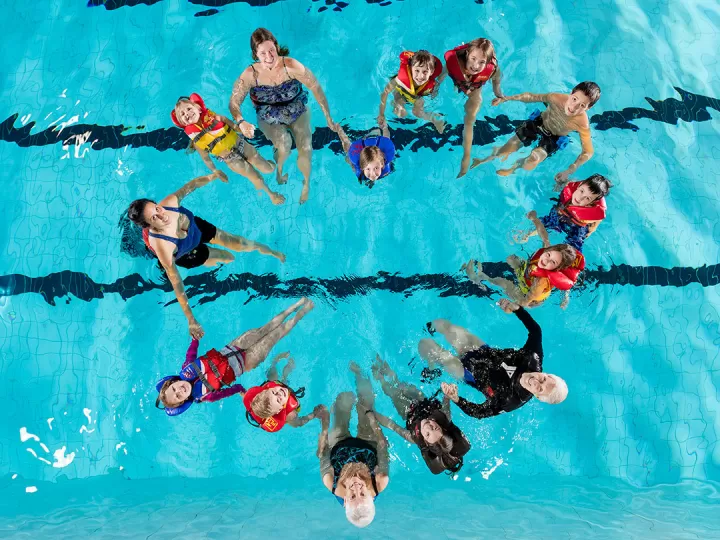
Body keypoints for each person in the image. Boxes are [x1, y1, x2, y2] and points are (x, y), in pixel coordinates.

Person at [126, 173, 285, 338]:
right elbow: (177, 284)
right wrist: (191, 319)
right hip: (187, 253)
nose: (162, 215)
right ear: (149, 225)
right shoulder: (163, 246)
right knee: (227, 258)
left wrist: (213, 176)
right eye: (154, 217)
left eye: (157, 208)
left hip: (197, 229)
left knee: (239, 244)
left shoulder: (169, 203)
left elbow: (192, 185)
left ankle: (271, 251)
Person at [155, 298, 320, 417]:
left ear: (174, 381)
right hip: (248, 362)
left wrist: (194, 337)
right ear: (184, 401)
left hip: (234, 346)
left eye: (174, 388)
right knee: (276, 335)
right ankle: (301, 314)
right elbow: (231, 390)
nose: (179, 390)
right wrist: (242, 391)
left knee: (265, 328)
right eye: (178, 396)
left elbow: (191, 351)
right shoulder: (207, 396)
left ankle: (295, 305)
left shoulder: (187, 367)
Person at [229, 27, 339, 204]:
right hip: (268, 113)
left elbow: (316, 88)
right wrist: (240, 121)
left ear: (277, 47)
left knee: (305, 145)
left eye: (271, 50)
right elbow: (234, 102)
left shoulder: (291, 66)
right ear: (255, 54)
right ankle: (279, 171)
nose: (269, 56)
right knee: (284, 144)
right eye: (263, 53)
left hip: (295, 107)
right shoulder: (251, 75)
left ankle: (306, 184)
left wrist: (328, 117)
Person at [418, 299, 568, 421]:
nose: (535, 381)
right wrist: (517, 309)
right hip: (483, 351)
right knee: (444, 325)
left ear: (538, 397)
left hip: (468, 373)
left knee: (425, 345)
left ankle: (432, 369)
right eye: (543, 379)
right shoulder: (532, 359)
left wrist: (456, 399)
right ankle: (424, 326)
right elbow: (536, 331)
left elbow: (479, 412)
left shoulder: (510, 400)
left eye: (539, 388)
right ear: (546, 374)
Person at [473, 81, 601, 184]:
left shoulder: (582, 123)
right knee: (510, 146)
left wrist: (569, 170)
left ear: (588, 108)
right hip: (538, 123)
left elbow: (588, 151)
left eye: (582, 105)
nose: (574, 107)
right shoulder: (556, 98)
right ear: (571, 93)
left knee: (534, 159)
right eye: (574, 99)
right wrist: (506, 98)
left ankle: (513, 169)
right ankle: (489, 158)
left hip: (553, 138)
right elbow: (532, 96)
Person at [172, 93, 284, 205]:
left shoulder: (217, 118)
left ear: (198, 108)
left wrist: (245, 130)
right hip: (230, 160)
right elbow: (205, 158)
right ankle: (271, 195)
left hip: (242, 145)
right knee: (256, 179)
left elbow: (235, 127)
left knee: (268, 169)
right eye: (182, 114)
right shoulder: (197, 141)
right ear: (183, 123)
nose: (187, 113)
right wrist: (216, 171)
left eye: (188, 108)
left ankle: (274, 161)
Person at [369, 355, 470, 474]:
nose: (427, 426)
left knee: (392, 392)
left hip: (407, 410)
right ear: (442, 427)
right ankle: (385, 366)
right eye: (434, 427)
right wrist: (448, 392)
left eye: (427, 434)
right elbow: (446, 399)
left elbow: (392, 425)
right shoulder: (445, 417)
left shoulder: (413, 437)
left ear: (426, 442)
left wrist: (372, 414)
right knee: (402, 385)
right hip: (421, 400)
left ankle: (380, 378)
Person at [463, 211, 585, 309]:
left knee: (504, 283)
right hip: (527, 273)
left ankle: (479, 278)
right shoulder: (547, 249)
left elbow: (526, 302)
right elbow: (543, 233)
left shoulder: (540, 282)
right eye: (548, 255)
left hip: (528, 294)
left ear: (557, 269)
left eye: (553, 262)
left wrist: (512, 306)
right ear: (549, 250)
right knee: (511, 258)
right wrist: (534, 219)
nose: (546, 260)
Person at [318, 362, 390, 528]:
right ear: (371, 497)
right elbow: (381, 444)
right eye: (362, 493)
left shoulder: (331, 482)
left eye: (352, 496)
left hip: (339, 446)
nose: (357, 487)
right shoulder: (380, 481)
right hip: (368, 446)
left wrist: (324, 423)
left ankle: (339, 367)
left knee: (343, 400)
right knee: (366, 402)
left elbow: (323, 451)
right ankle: (360, 372)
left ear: (344, 501)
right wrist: (372, 419)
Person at [444, 38, 504, 177]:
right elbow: (444, 72)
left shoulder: (493, 69)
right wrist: (437, 85)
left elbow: (496, 82)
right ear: (467, 54)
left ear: (488, 62)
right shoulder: (455, 61)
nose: (476, 66)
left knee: (469, 121)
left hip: (475, 90)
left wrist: (498, 94)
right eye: (473, 59)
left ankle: (466, 157)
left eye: (482, 62)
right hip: (458, 82)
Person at [515, 173, 612, 252]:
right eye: (582, 191)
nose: (580, 197)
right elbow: (564, 185)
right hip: (560, 212)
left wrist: (589, 232)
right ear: (579, 186)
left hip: (576, 227)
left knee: (572, 250)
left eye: (587, 198)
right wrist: (559, 184)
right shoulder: (570, 186)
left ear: (592, 203)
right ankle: (527, 234)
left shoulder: (595, 212)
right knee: (546, 222)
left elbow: (595, 224)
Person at [243, 351, 329, 433]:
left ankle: (275, 361)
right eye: (278, 400)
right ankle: (315, 414)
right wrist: (313, 415)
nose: (279, 393)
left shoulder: (272, 387)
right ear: (279, 409)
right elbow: (299, 422)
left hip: (271, 390)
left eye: (274, 392)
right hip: (281, 409)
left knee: (272, 376)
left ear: (267, 389)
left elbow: (268, 393)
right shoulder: (290, 414)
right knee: (297, 424)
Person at [377, 50, 446, 133]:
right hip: (401, 91)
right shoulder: (400, 79)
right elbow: (385, 92)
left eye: (425, 72)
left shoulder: (430, 84)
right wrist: (381, 114)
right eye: (417, 70)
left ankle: (434, 119)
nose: (420, 76)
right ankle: (397, 104)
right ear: (411, 68)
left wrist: (435, 90)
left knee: (417, 113)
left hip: (418, 96)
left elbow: (438, 82)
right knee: (400, 112)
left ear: (431, 72)